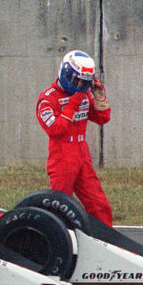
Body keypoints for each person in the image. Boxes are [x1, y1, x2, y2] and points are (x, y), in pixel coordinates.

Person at [36, 50, 112, 226]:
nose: (79, 85)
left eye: (84, 82)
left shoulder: (84, 93)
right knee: (60, 207)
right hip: (62, 158)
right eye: (75, 80)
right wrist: (74, 102)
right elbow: (56, 130)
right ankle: (60, 240)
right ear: (65, 72)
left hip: (82, 156)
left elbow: (102, 119)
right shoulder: (47, 100)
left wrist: (100, 99)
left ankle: (108, 242)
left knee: (99, 204)